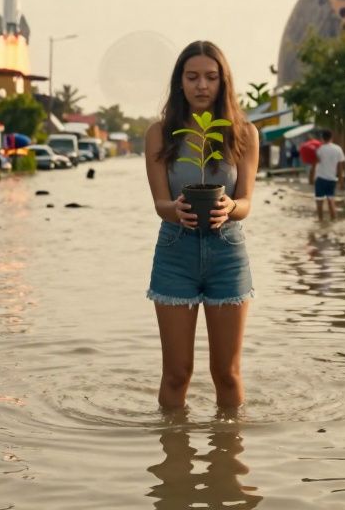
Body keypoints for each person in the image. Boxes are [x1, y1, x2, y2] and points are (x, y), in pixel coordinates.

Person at [144, 40, 259, 412]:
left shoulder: (243, 134)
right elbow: (160, 204)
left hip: (227, 254)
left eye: (211, 77)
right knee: (177, 373)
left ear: (223, 83)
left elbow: (245, 203)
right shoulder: (160, 134)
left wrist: (230, 206)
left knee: (226, 374)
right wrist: (175, 209)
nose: (201, 86)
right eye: (192, 77)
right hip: (176, 252)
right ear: (179, 82)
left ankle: (226, 461)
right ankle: (175, 462)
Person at [311, 128, 345, 222]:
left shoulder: (319, 150)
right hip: (332, 179)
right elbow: (340, 167)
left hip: (320, 179)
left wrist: (311, 177)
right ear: (331, 137)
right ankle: (334, 220)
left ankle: (320, 221)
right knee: (331, 200)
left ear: (322, 137)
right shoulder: (338, 149)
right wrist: (341, 181)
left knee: (319, 202)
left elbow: (314, 165)